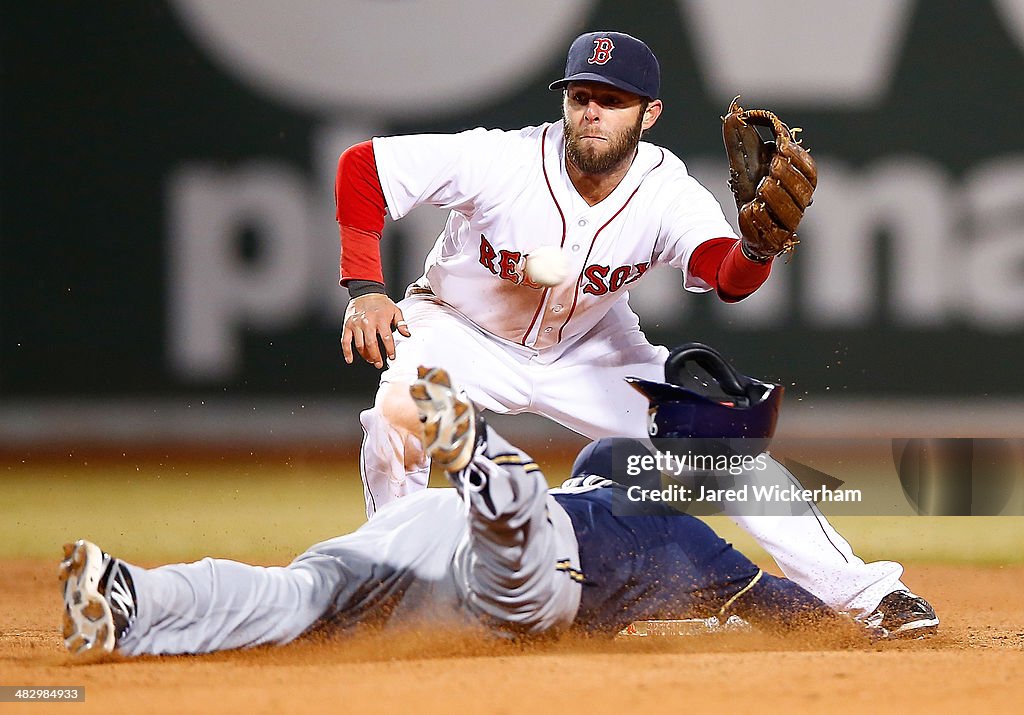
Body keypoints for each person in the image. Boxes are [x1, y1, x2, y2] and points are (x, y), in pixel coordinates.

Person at [334, 31, 937, 635]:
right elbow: (363, 167)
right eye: (581, 96)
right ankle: (388, 584)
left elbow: (723, 275)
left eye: (614, 99)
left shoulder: (664, 189)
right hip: (459, 330)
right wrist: (367, 291)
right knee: (398, 412)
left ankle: (867, 596)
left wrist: (755, 249)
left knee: (719, 443)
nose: (592, 111)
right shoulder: (502, 160)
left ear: (650, 114)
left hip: (590, 348)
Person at [61, 362, 883, 660]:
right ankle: (476, 447)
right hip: (523, 572)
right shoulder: (701, 551)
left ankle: (129, 598)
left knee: (295, 597)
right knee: (524, 540)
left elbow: (651, 463)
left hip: (426, 532)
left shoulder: (612, 462)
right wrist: (863, 629)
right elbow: (788, 611)